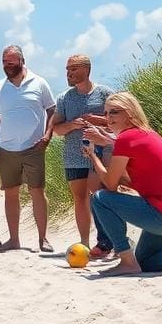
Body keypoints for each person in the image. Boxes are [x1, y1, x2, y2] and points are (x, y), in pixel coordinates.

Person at [83, 91, 162, 275]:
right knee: (146, 263)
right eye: (106, 113)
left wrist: (93, 157)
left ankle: (126, 261)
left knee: (100, 198)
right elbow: (130, 181)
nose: (108, 118)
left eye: (114, 112)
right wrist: (107, 145)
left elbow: (109, 185)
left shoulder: (126, 138)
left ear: (130, 113)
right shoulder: (146, 134)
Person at [0, 45, 56, 252]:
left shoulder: (39, 82)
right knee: (10, 193)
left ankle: (43, 238)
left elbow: (52, 110)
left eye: (11, 62)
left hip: (33, 147)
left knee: (37, 191)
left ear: (21, 60)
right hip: (6, 148)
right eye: (4, 62)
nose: (7, 66)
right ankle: (14, 240)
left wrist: (47, 135)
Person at [52, 54, 114, 257]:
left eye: (73, 69)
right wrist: (72, 124)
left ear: (86, 70)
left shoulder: (105, 93)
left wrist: (96, 120)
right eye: (67, 69)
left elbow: (118, 121)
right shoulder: (64, 98)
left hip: (100, 153)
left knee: (100, 196)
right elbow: (57, 129)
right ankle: (84, 243)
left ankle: (108, 241)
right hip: (73, 154)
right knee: (79, 198)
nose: (68, 73)